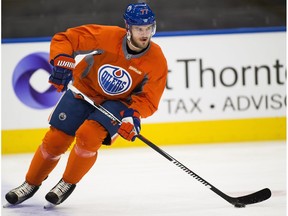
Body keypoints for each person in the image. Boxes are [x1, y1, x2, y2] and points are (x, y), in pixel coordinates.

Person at [5, 2, 168, 207]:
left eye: (148, 28)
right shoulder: (107, 36)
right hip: (84, 89)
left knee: (88, 136)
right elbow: (67, 39)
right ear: (128, 28)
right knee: (56, 140)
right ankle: (30, 183)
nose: (144, 34)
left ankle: (67, 182)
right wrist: (62, 59)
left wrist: (132, 115)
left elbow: (149, 99)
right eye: (139, 29)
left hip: (117, 103)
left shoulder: (156, 60)